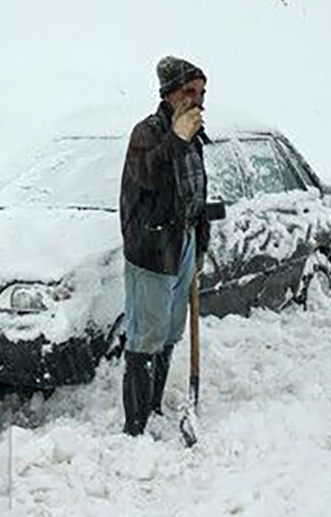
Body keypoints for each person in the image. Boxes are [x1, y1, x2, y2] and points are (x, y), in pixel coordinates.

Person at [118, 56, 211, 436]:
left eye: (202, 92)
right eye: (190, 91)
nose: (198, 100)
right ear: (169, 94)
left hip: (183, 240)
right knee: (146, 334)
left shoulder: (194, 134)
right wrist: (177, 138)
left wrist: (200, 242)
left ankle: (154, 407)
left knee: (171, 329)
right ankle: (134, 426)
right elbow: (148, 175)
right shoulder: (149, 132)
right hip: (152, 247)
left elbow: (195, 191)